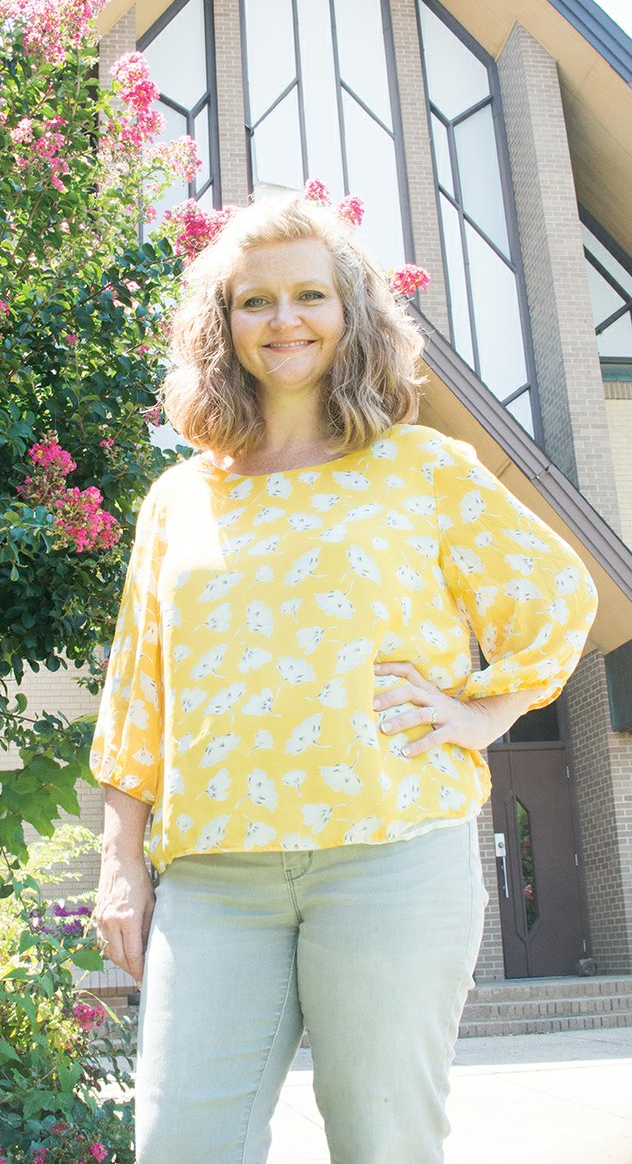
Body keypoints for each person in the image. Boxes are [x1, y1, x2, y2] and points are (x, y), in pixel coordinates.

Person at [90, 196, 598, 1164]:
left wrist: (483, 713)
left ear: (351, 313)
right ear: (220, 324)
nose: (284, 320)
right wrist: (121, 858)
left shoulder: (418, 466)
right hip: (214, 872)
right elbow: (136, 684)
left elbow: (552, 595)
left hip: (389, 853)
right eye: (255, 301)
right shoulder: (180, 497)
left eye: (309, 295)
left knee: (380, 1141)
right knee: (180, 1142)